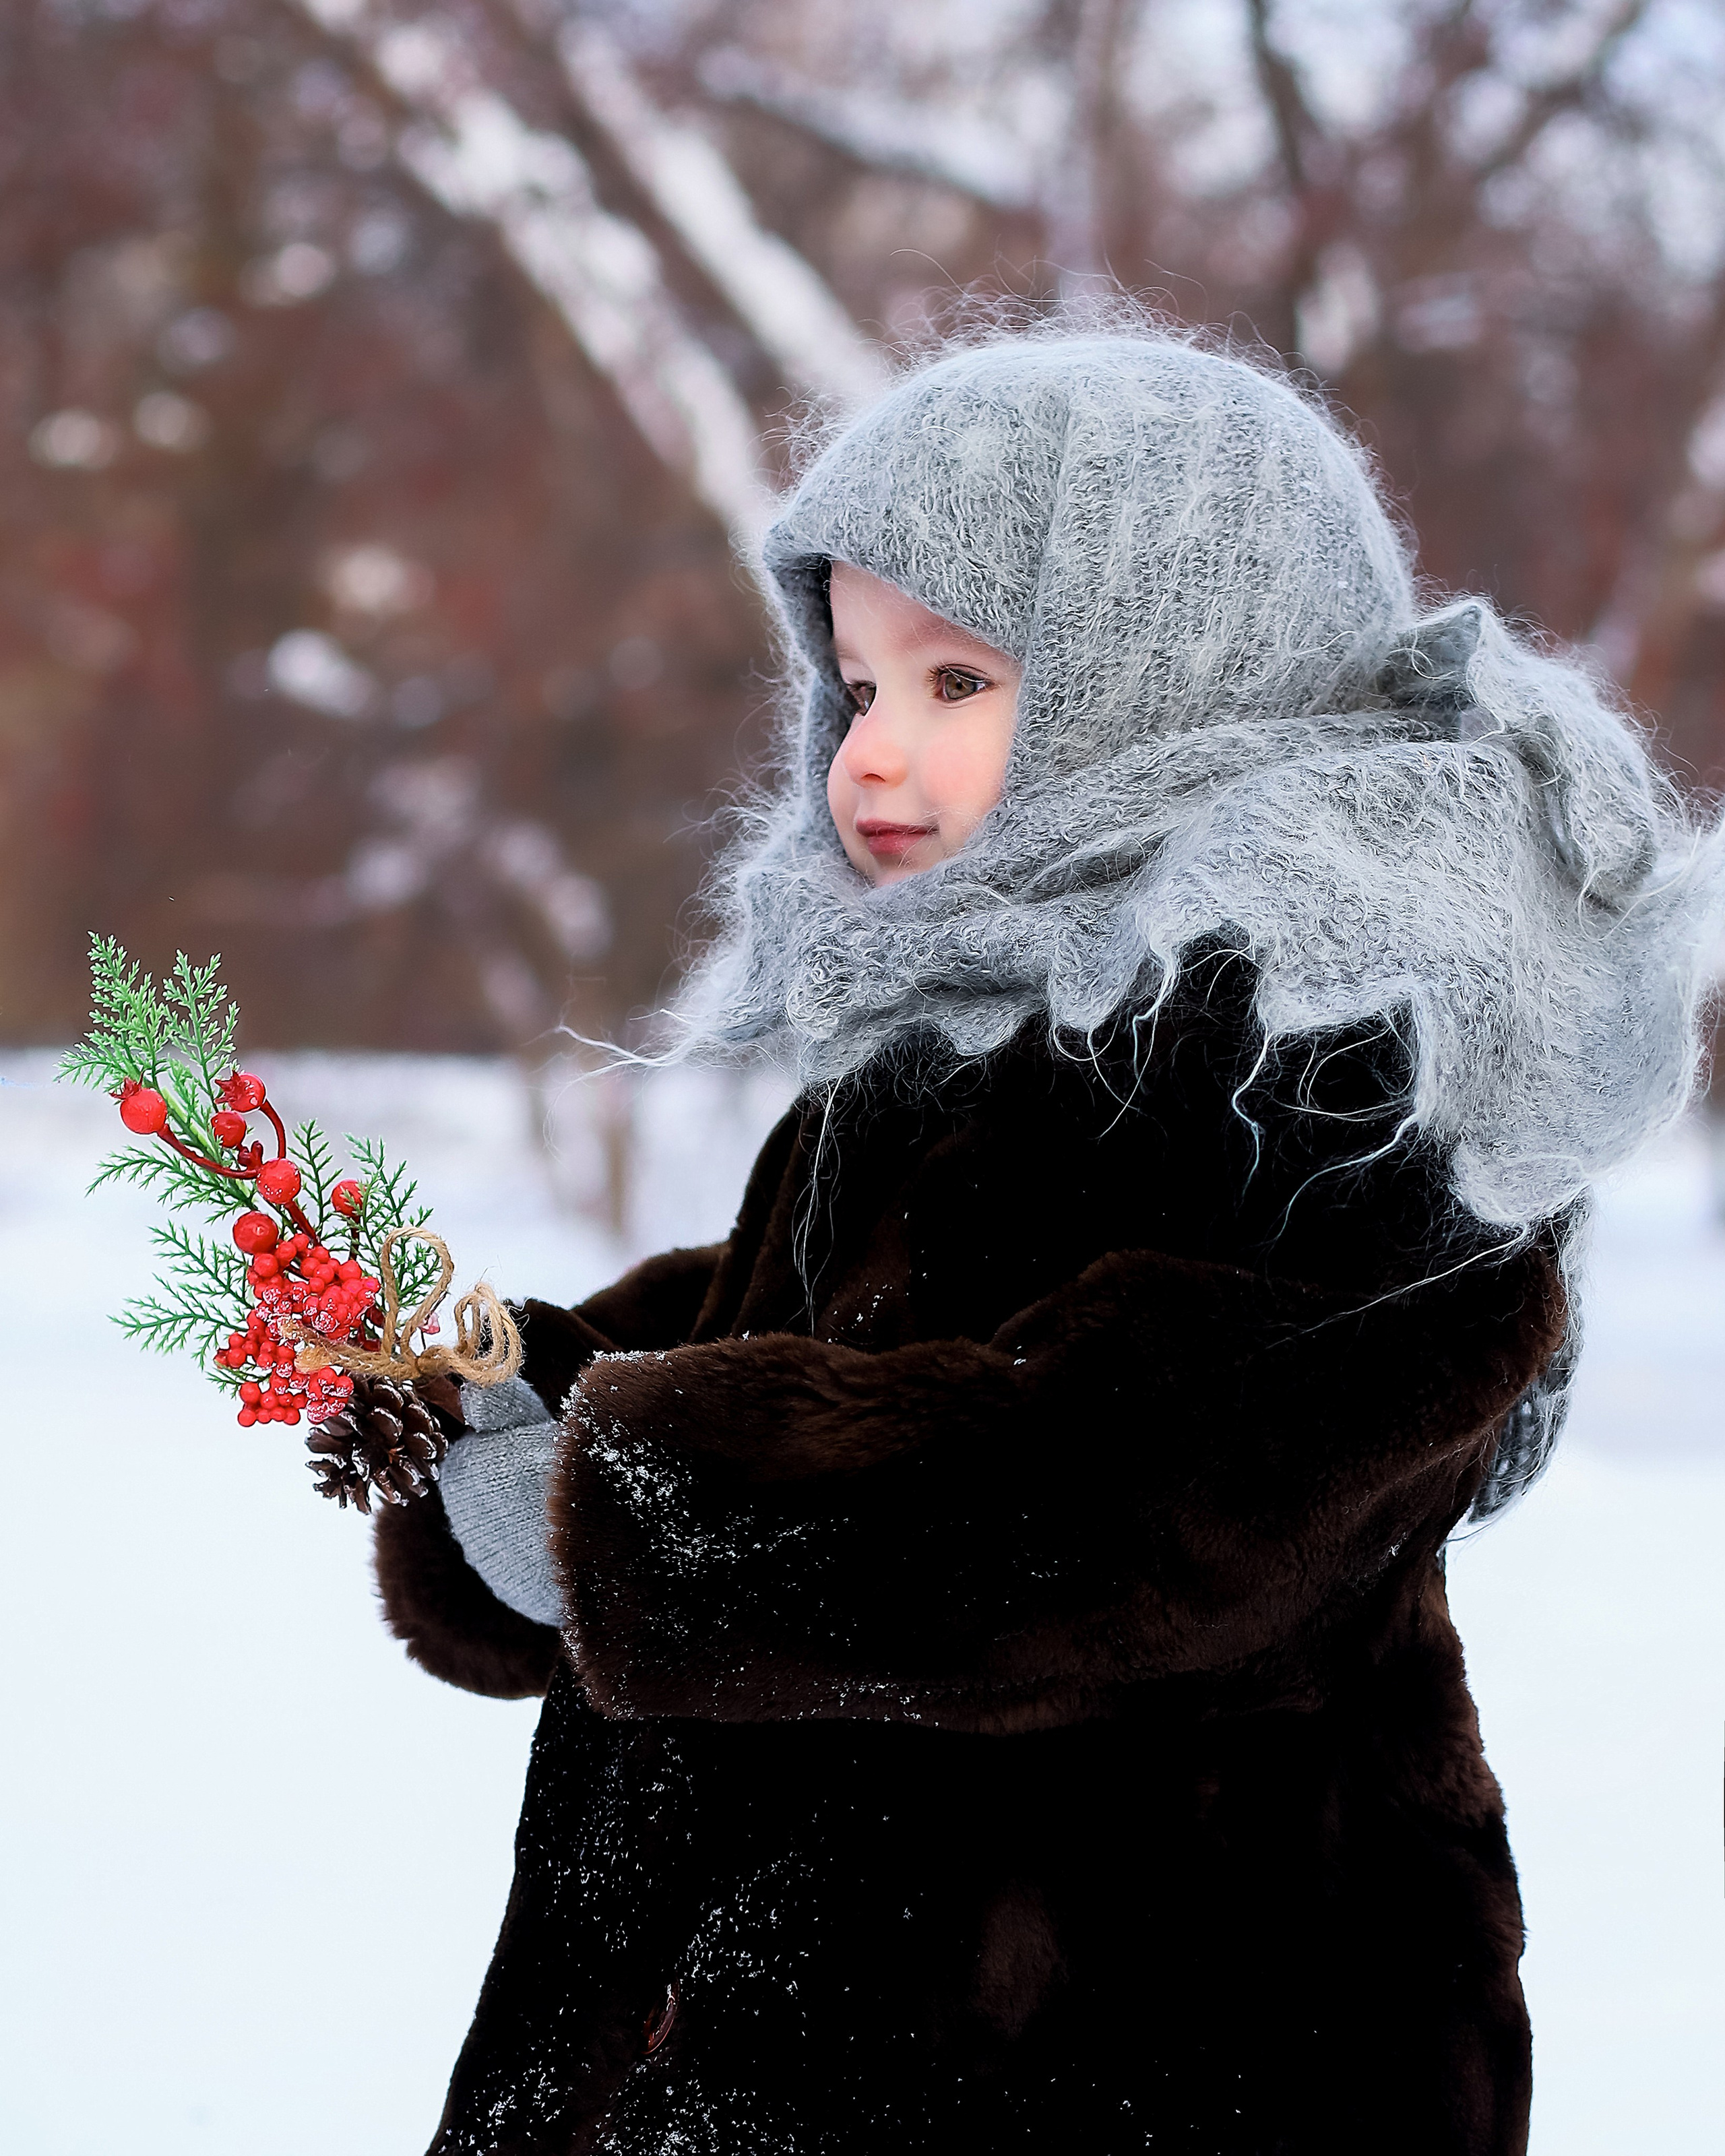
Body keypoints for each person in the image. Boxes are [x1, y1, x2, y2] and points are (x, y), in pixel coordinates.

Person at [373, 325, 1722, 2155]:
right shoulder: (952, 1024)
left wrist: (636, 1513)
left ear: (1168, 671)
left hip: (1142, 2045)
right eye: (854, 686)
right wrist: (525, 1393)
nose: (876, 755)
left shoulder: (1343, 1079)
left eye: (956, 680)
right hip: (748, 2031)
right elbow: (818, 1337)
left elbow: (1143, 1486)